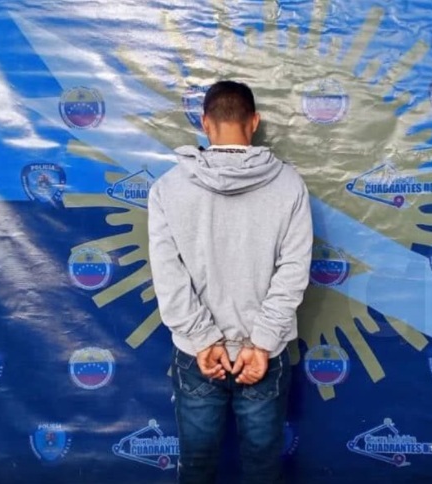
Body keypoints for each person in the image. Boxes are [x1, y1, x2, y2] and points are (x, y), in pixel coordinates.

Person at [147, 80, 314, 484]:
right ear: (254, 122)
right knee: (262, 469)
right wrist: (261, 343)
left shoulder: (167, 188)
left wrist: (204, 340)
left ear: (206, 123)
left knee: (197, 466)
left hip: (197, 355)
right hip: (264, 356)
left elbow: (168, 277)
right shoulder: (290, 185)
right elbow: (294, 271)